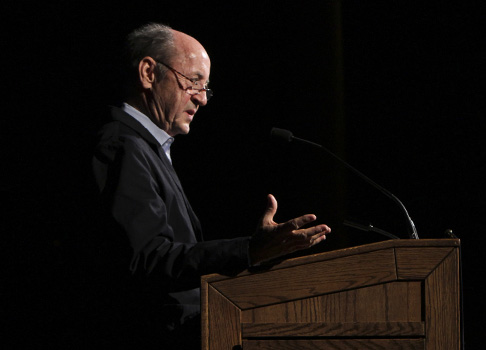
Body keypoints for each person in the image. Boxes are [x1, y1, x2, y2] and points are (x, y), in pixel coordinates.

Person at [91, 23, 330, 349]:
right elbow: (147, 259)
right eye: (193, 82)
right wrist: (249, 250)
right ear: (148, 73)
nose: (203, 99)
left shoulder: (147, 148)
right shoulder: (121, 144)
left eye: (207, 88)